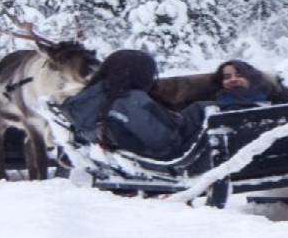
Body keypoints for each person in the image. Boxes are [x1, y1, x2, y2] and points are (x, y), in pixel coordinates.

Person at [62, 50, 210, 162]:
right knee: (203, 110)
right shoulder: (130, 100)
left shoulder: (93, 96)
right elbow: (162, 140)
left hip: (122, 149)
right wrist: (179, 121)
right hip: (161, 154)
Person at [213, 59, 288, 110]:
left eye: (239, 75)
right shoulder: (215, 107)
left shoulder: (275, 94)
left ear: (250, 77)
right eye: (227, 77)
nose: (233, 79)